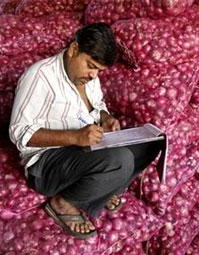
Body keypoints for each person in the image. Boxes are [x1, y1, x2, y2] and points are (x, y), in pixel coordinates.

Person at [9, 23, 162, 239]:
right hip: (47, 163)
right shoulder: (39, 76)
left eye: (99, 70)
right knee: (120, 160)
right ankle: (63, 203)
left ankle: (101, 189)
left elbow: (97, 106)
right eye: (90, 66)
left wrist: (106, 118)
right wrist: (75, 137)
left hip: (84, 151)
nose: (93, 75)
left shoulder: (90, 79)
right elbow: (19, 133)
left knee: (150, 142)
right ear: (73, 49)